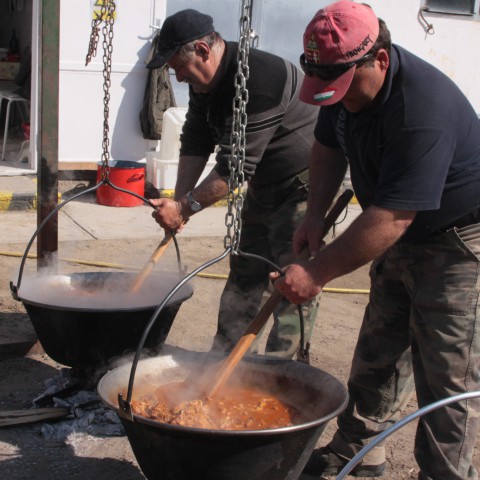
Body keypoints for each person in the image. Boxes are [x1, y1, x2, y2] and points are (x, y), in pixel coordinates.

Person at [271, 1, 480, 479]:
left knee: (446, 369)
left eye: (343, 88)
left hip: (457, 238)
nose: (336, 98)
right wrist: (316, 217)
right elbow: (326, 146)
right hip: (396, 223)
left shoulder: (421, 109)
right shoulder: (341, 88)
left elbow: (393, 215)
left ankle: (446, 474)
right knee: (378, 347)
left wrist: (319, 271)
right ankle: (358, 452)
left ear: (379, 60)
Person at [147, 9, 321, 360]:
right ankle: (225, 359)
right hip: (264, 183)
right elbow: (196, 139)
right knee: (245, 271)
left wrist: (185, 208)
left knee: (291, 282)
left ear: (201, 50)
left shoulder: (259, 80)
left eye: (178, 67)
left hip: (303, 187)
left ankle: (280, 373)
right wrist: (180, 202)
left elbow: (233, 170)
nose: (178, 78)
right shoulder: (203, 83)